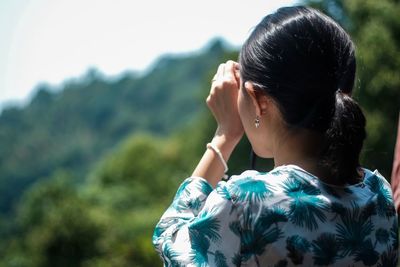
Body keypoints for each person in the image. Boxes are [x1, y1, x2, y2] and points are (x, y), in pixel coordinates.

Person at [152, 6, 398, 267]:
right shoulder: (378, 196)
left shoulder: (246, 201)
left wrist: (224, 136)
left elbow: (170, 237)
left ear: (259, 100)